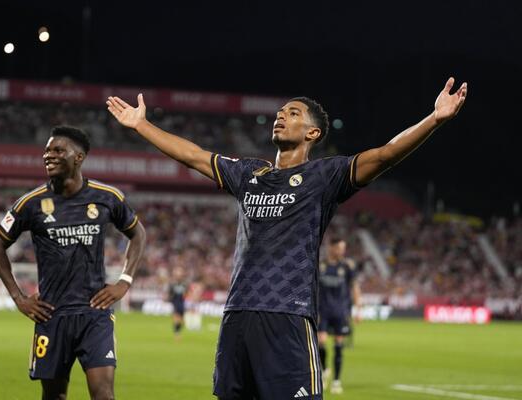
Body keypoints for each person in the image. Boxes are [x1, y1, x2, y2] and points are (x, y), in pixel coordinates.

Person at [106, 77, 467, 399]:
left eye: (293, 114)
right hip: (237, 315)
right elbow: (194, 157)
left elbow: (385, 155)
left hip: (287, 316)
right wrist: (142, 125)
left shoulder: (325, 176)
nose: (281, 117)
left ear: (313, 133)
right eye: (280, 113)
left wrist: (433, 119)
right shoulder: (249, 174)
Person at [0, 126, 146, 400]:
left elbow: (138, 233)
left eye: (58, 150)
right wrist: (18, 297)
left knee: (104, 394)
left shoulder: (107, 197)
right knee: (54, 396)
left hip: (94, 313)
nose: (49, 155)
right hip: (51, 315)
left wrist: (125, 281)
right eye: (47, 150)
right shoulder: (30, 203)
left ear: (79, 157)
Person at [317, 237, 361, 394]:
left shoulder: (347, 266)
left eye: (343, 248)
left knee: (338, 344)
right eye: (339, 248)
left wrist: (358, 308)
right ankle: (324, 369)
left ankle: (336, 381)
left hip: (340, 311)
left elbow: (354, 287)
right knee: (321, 341)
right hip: (322, 311)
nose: (342, 251)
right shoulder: (320, 265)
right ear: (331, 247)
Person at [167, 266, 188, 339]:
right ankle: (176, 333)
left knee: (182, 321)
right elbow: (169, 294)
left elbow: (186, 293)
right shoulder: (172, 284)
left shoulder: (184, 284)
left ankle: (177, 332)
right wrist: (170, 299)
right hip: (175, 302)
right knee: (176, 318)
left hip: (182, 303)